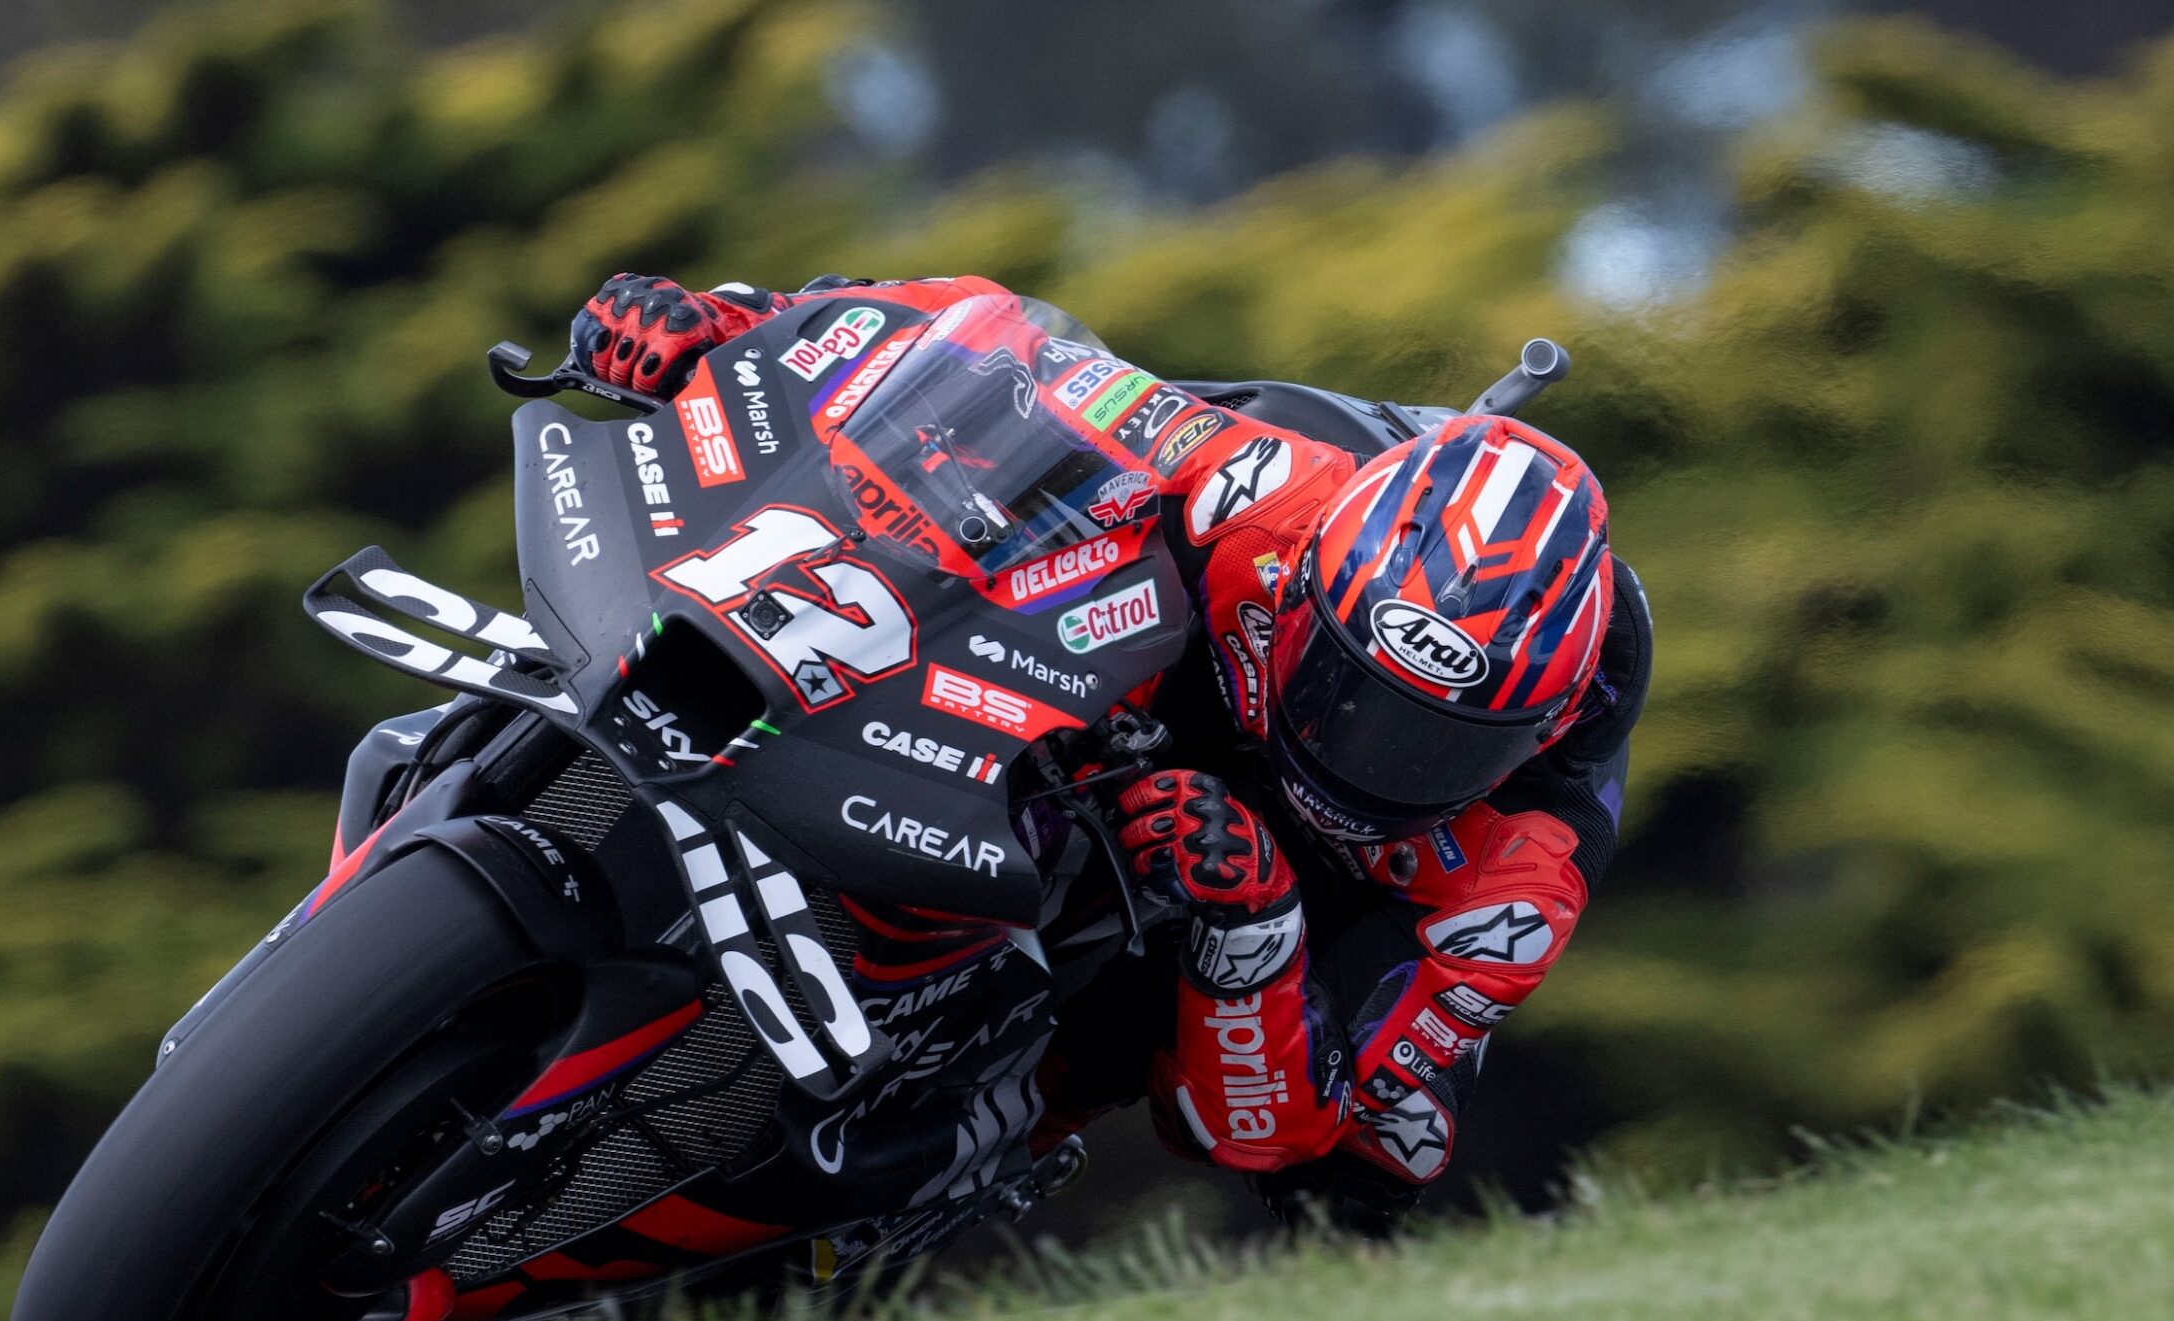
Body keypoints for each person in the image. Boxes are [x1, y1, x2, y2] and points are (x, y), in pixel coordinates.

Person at [569, 272, 1652, 1236]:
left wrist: (1257, 921)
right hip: (1172, 664)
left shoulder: (1524, 862)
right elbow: (982, 353)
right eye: (1351, 691)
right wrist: (730, 325)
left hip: (1295, 891)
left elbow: (1274, 1131)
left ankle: (931, 1168)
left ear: (1537, 735)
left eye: (1427, 746)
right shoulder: (1264, 484)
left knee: (1366, 1166)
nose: (1364, 754)